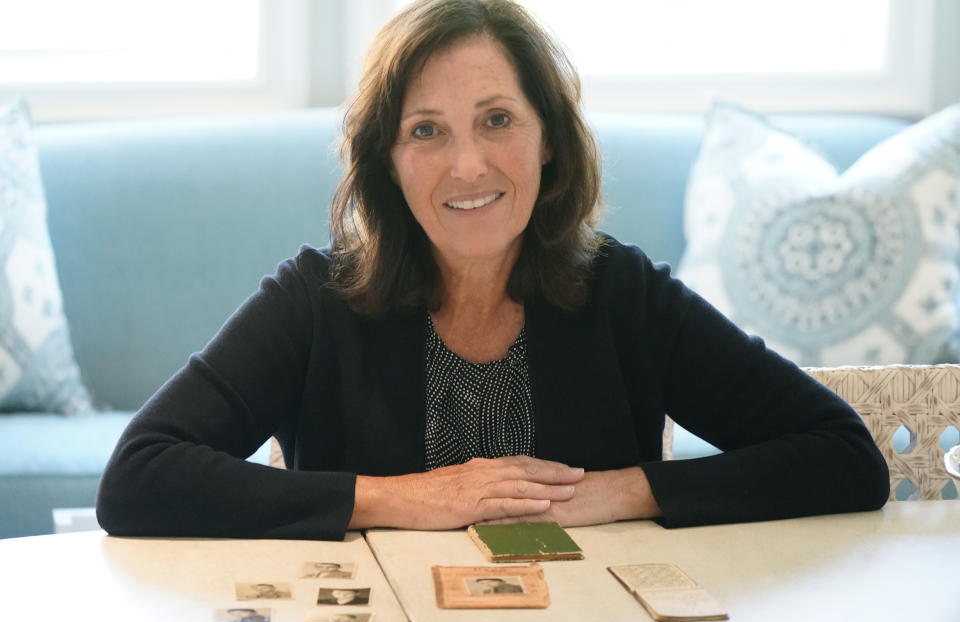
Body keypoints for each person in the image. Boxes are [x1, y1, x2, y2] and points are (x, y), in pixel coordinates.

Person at [95, 0, 889, 541]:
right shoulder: (315, 297)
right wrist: (408, 499)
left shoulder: (624, 293)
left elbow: (843, 455)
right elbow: (138, 477)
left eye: (497, 120)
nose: (468, 165)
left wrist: (618, 491)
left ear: (549, 139)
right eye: (427, 131)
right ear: (390, 163)